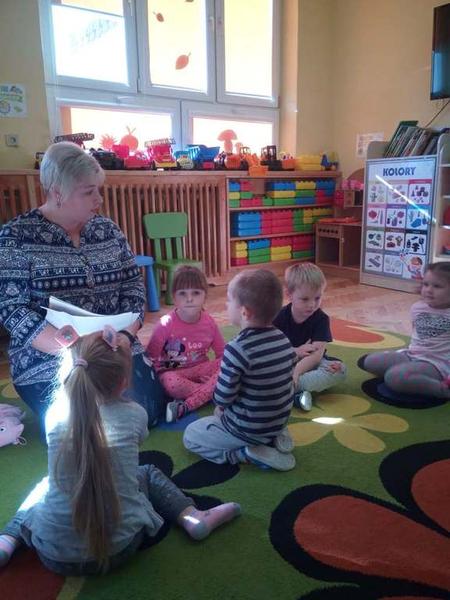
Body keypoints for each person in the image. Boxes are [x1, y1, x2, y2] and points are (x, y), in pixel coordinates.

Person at [0, 332, 241, 574]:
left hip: (53, 553)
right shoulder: (135, 413)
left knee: (44, 486)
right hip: (122, 547)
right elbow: (137, 440)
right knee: (146, 472)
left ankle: (7, 541)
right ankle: (192, 517)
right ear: (124, 382)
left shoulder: (53, 415)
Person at [0, 142, 165, 436]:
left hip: (114, 347)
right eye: (89, 192)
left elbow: (133, 287)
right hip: (50, 355)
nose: (98, 199)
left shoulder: (108, 230)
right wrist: (71, 348)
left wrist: (127, 336)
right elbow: (12, 309)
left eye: (98, 190)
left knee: (147, 411)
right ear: (57, 192)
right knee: (82, 426)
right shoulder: (16, 236)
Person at [183, 269, 297, 472]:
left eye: (229, 300)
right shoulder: (283, 339)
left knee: (191, 435)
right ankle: (274, 436)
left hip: (247, 428)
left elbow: (223, 398)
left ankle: (244, 454)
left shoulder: (236, 349)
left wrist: (220, 406)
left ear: (245, 312)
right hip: (277, 420)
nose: (226, 305)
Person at [146, 266, 225, 423]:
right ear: (174, 298)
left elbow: (222, 355)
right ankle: (213, 393)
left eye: (196, 293)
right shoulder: (165, 324)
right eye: (183, 293)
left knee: (227, 365)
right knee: (169, 382)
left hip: (200, 371)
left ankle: (187, 405)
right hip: (173, 373)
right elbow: (150, 359)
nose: (189, 299)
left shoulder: (209, 323)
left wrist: (219, 371)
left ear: (205, 296)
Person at [361, 262, 450, 401]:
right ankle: (410, 375)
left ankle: (442, 390)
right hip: (411, 355)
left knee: (394, 377)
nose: (429, 290)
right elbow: (418, 337)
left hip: (437, 365)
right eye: (426, 284)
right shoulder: (418, 308)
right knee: (369, 361)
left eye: (437, 286)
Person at [273, 263, 347, 411]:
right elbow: (270, 348)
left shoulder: (321, 319)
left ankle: (284, 389)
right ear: (289, 295)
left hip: (310, 364)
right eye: (305, 299)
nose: (312, 305)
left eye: (317, 298)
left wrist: (296, 372)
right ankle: (290, 390)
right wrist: (295, 351)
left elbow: (316, 357)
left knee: (340, 370)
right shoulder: (278, 316)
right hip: (283, 362)